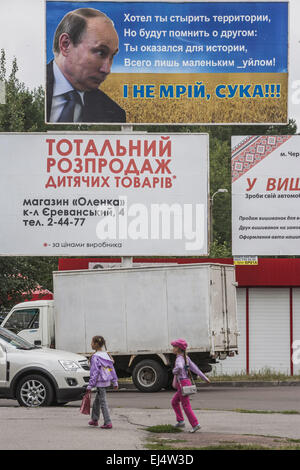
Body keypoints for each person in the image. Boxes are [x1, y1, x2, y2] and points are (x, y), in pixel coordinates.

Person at [47, 8, 126, 123]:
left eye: (112, 56)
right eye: (100, 52)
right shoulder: (28, 89)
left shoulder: (114, 113)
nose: (107, 69)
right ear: (65, 44)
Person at [171, 338, 210, 433]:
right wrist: (205, 378)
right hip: (186, 382)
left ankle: (195, 424)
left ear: (178, 349)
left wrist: (174, 370)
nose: (172, 348)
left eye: (174, 347)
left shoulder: (179, 359)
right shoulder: (186, 358)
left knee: (186, 405)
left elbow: (179, 367)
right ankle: (180, 421)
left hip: (182, 384)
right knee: (174, 402)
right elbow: (195, 369)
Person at [86, 335, 118, 429]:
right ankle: (95, 419)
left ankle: (108, 422)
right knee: (97, 401)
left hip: (100, 382)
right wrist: (114, 381)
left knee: (103, 402)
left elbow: (94, 372)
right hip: (106, 380)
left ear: (96, 344)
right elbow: (112, 369)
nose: (91, 344)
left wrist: (90, 385)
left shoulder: (95, 357)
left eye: (92, 342)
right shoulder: (106, 355)